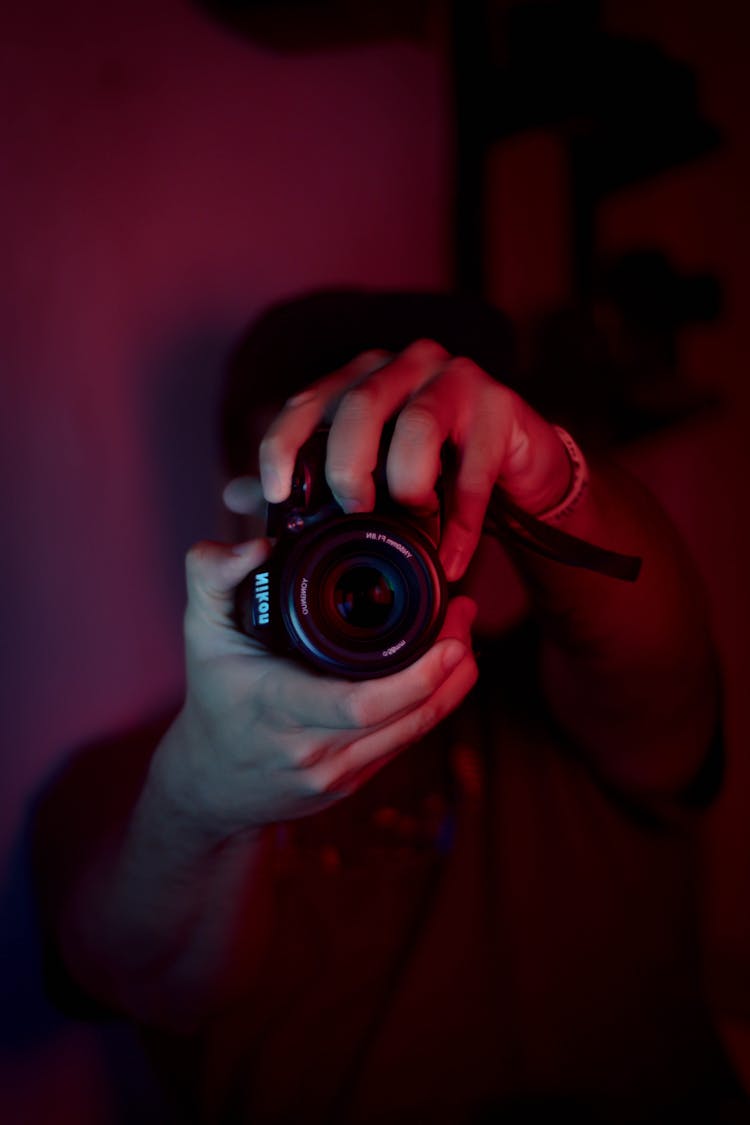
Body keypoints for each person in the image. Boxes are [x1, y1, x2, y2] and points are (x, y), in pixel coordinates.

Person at [33, 289, 746, 1123]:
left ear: (486, 499)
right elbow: (149, 977)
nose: (357, 520)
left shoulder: (575, 697)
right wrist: (195, 802)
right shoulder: (129, 783)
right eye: (316, 489)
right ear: (244, 501)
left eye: (402, 481)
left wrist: (556, 476)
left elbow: (665, 656)